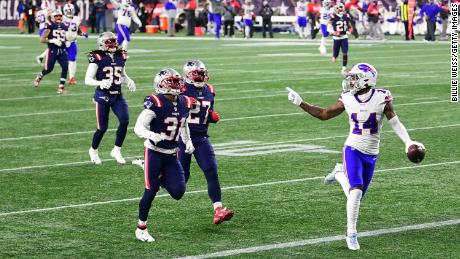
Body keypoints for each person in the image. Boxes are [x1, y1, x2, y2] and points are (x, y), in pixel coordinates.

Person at [286, 62, 425, 250]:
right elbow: (324, 114)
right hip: (352, 148)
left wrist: (408, 142)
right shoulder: (347, 98)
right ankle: (351, 233)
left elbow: (395, 122)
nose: (351, 81)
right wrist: (301, 103)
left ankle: (338, 173)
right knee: (356, 191)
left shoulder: (382, 97)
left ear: (367, 79)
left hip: (371, 153)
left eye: (355, 77)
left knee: (356, 196)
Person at [133, 68, 195, 242]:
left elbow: (183, 124)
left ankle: (152, 173)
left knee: (178, 192)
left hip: (171, 154)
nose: (176, 86)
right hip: (154, 152)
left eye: (177, 82)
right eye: (172, 83)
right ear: (161, 85)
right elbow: (138, 127)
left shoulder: (184, 102)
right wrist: (152, 135)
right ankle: (141, 228)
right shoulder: (155, 102)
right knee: (151, 189)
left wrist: (187, 141)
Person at [179, 60, 234, 224]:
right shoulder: (181, 90)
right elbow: (175, 113)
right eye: (197, 74)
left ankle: (218, 209)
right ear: (188, 76)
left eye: (202, 74)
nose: (201, 77)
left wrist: (211, 116)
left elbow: (208, 110)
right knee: (182, 178)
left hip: (201, 137)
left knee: (211, 170)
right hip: (182, 138)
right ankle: (155, 173)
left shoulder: (209, 89)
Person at [85, 32, 136, 165]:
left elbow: (122, 75)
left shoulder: (121, 56)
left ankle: (116, 150)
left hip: (117, 95)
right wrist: (100, 83)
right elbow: (87, 79)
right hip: (102, 95)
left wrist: (129, 80)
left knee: (125, 121)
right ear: (102, 44)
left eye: (114, 41)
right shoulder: (97, 57)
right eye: (109, 42)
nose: (113, 44)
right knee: (102, 127)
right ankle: (93, 150)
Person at [33, 9, 69, 94]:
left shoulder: (64, 25)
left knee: (65, 66)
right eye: (56, 16)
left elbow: (64, 37)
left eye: (60, 16)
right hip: (52, 50)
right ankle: (39, 76)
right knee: (49, 69)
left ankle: (61, 87)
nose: (58, 17)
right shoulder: (50, 25)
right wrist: (52, 40)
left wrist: (67, 41)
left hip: (61, 50)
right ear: (53, 17)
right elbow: (42, 39)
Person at [63, 3, 88, 85]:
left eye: (71, 10)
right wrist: (64, 39)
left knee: (72, 60)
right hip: (62, 42)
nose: (70, 12)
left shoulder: (77, 19)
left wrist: (83, 34)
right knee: (54, 60)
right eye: (68, 10)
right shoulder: (62, 18)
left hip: (73, 42)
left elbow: (77, 30)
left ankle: (71, 78)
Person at [330, 2, 352, 75]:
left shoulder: (346, 16)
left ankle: (344, 68)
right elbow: (328, 27)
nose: (340, 9)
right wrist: (334, 32)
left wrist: (349, 31)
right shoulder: (333, 16)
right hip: (336, 38)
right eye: (338, 7)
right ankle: (334, 56)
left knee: (345, 53)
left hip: (344, 37)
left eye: (341, 7)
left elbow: (350, 26)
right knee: (335, 56)